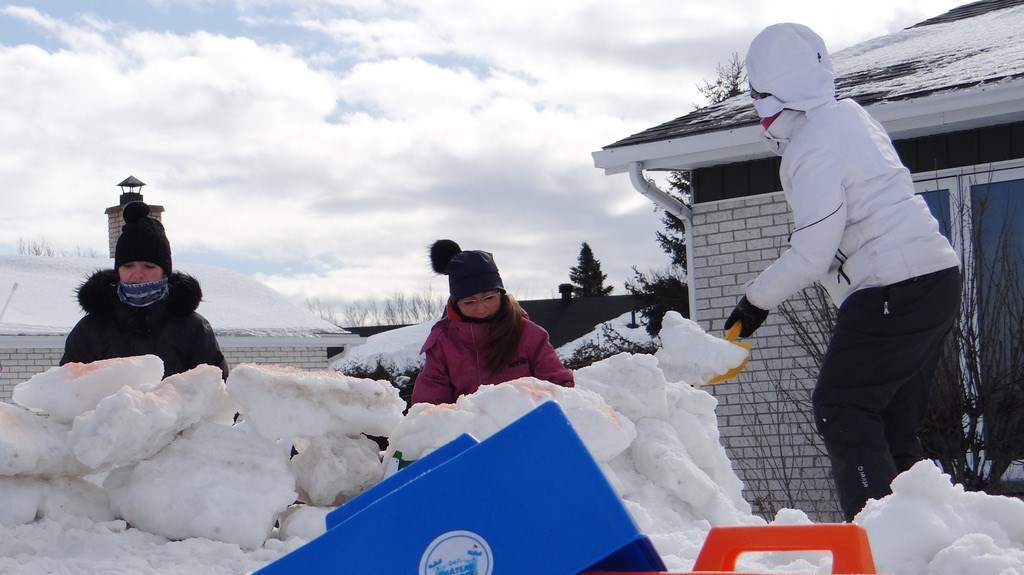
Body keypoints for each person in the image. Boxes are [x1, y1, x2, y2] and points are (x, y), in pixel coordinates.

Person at [725, 23, 962, 521]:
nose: (756, 110)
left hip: (893, 284)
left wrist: (754, 303)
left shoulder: (813, 146)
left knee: (843, 407)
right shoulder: (848, 118)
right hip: (934, 278)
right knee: (893, 424)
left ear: (776, 94)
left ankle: (876, 538)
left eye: (758, 96)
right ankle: (925, 538)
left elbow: (814, 250)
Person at [62, 200, 229, 380]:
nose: (138, 274)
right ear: (118, 270)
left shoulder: (192, 328)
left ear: (164, 272)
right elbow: (69, 392)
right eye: (128, 266)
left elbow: (217, 395)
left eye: (149, 266)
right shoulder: (91, 329)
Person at [411, 239, 574, 405]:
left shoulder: (529, 335)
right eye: (469, 302)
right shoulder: (443, 343)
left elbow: (559, 387)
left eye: (488, 298)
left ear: (500, 294)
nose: (480, 309)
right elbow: (430, 404)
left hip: (529, 425)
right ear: (456, 304)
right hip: (472, 428)